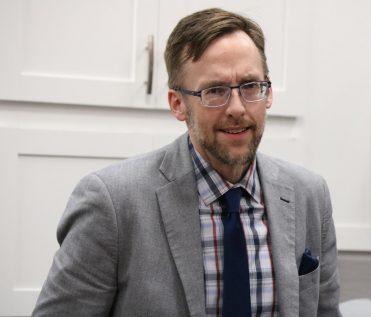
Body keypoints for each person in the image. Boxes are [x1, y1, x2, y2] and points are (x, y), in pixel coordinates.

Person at [33, 8, 341, 317]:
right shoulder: (112, 203)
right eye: (215, 91)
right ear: (178, 104)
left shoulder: (309, 195)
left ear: (268, 93)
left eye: (250, 86)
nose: (236, 108)